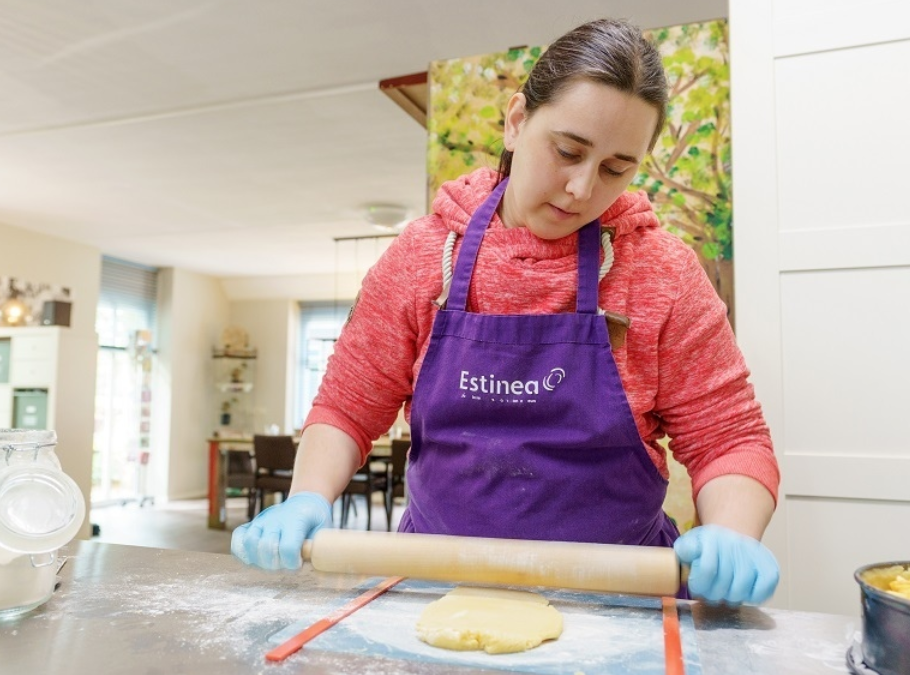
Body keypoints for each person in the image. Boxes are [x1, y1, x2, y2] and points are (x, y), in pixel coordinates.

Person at [233, 18, 780, 605]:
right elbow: (348, 405)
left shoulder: (662, 272)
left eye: (616, 168)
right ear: (517, 121)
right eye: (568, 150)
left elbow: (729, 437)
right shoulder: (423, 257)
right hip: (435, 589)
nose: (580, 188)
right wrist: (309, 496)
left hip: (620, 597)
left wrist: (731, 530)